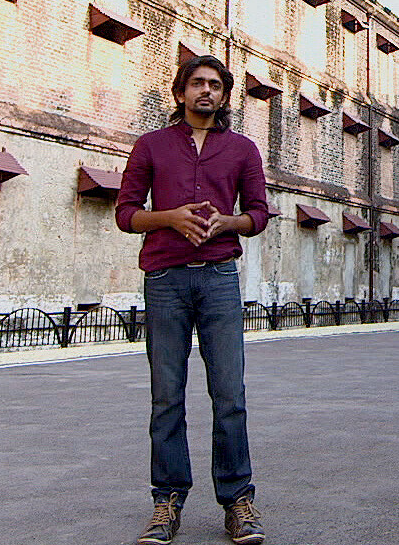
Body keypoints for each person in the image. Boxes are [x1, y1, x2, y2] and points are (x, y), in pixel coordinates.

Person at [115, 55, 271, 545]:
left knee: (229, 395)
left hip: (220, 278)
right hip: (165, 279)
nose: (206, 91)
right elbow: (125, 213)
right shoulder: (151, 146)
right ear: (181, 92)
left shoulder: (242, 150)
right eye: (198, 83)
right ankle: (166, 502)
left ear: (224, 96)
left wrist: (228, 223)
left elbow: (259, 214)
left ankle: (238, 501)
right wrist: (170, 217)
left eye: (215, 85)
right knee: (167, 395)